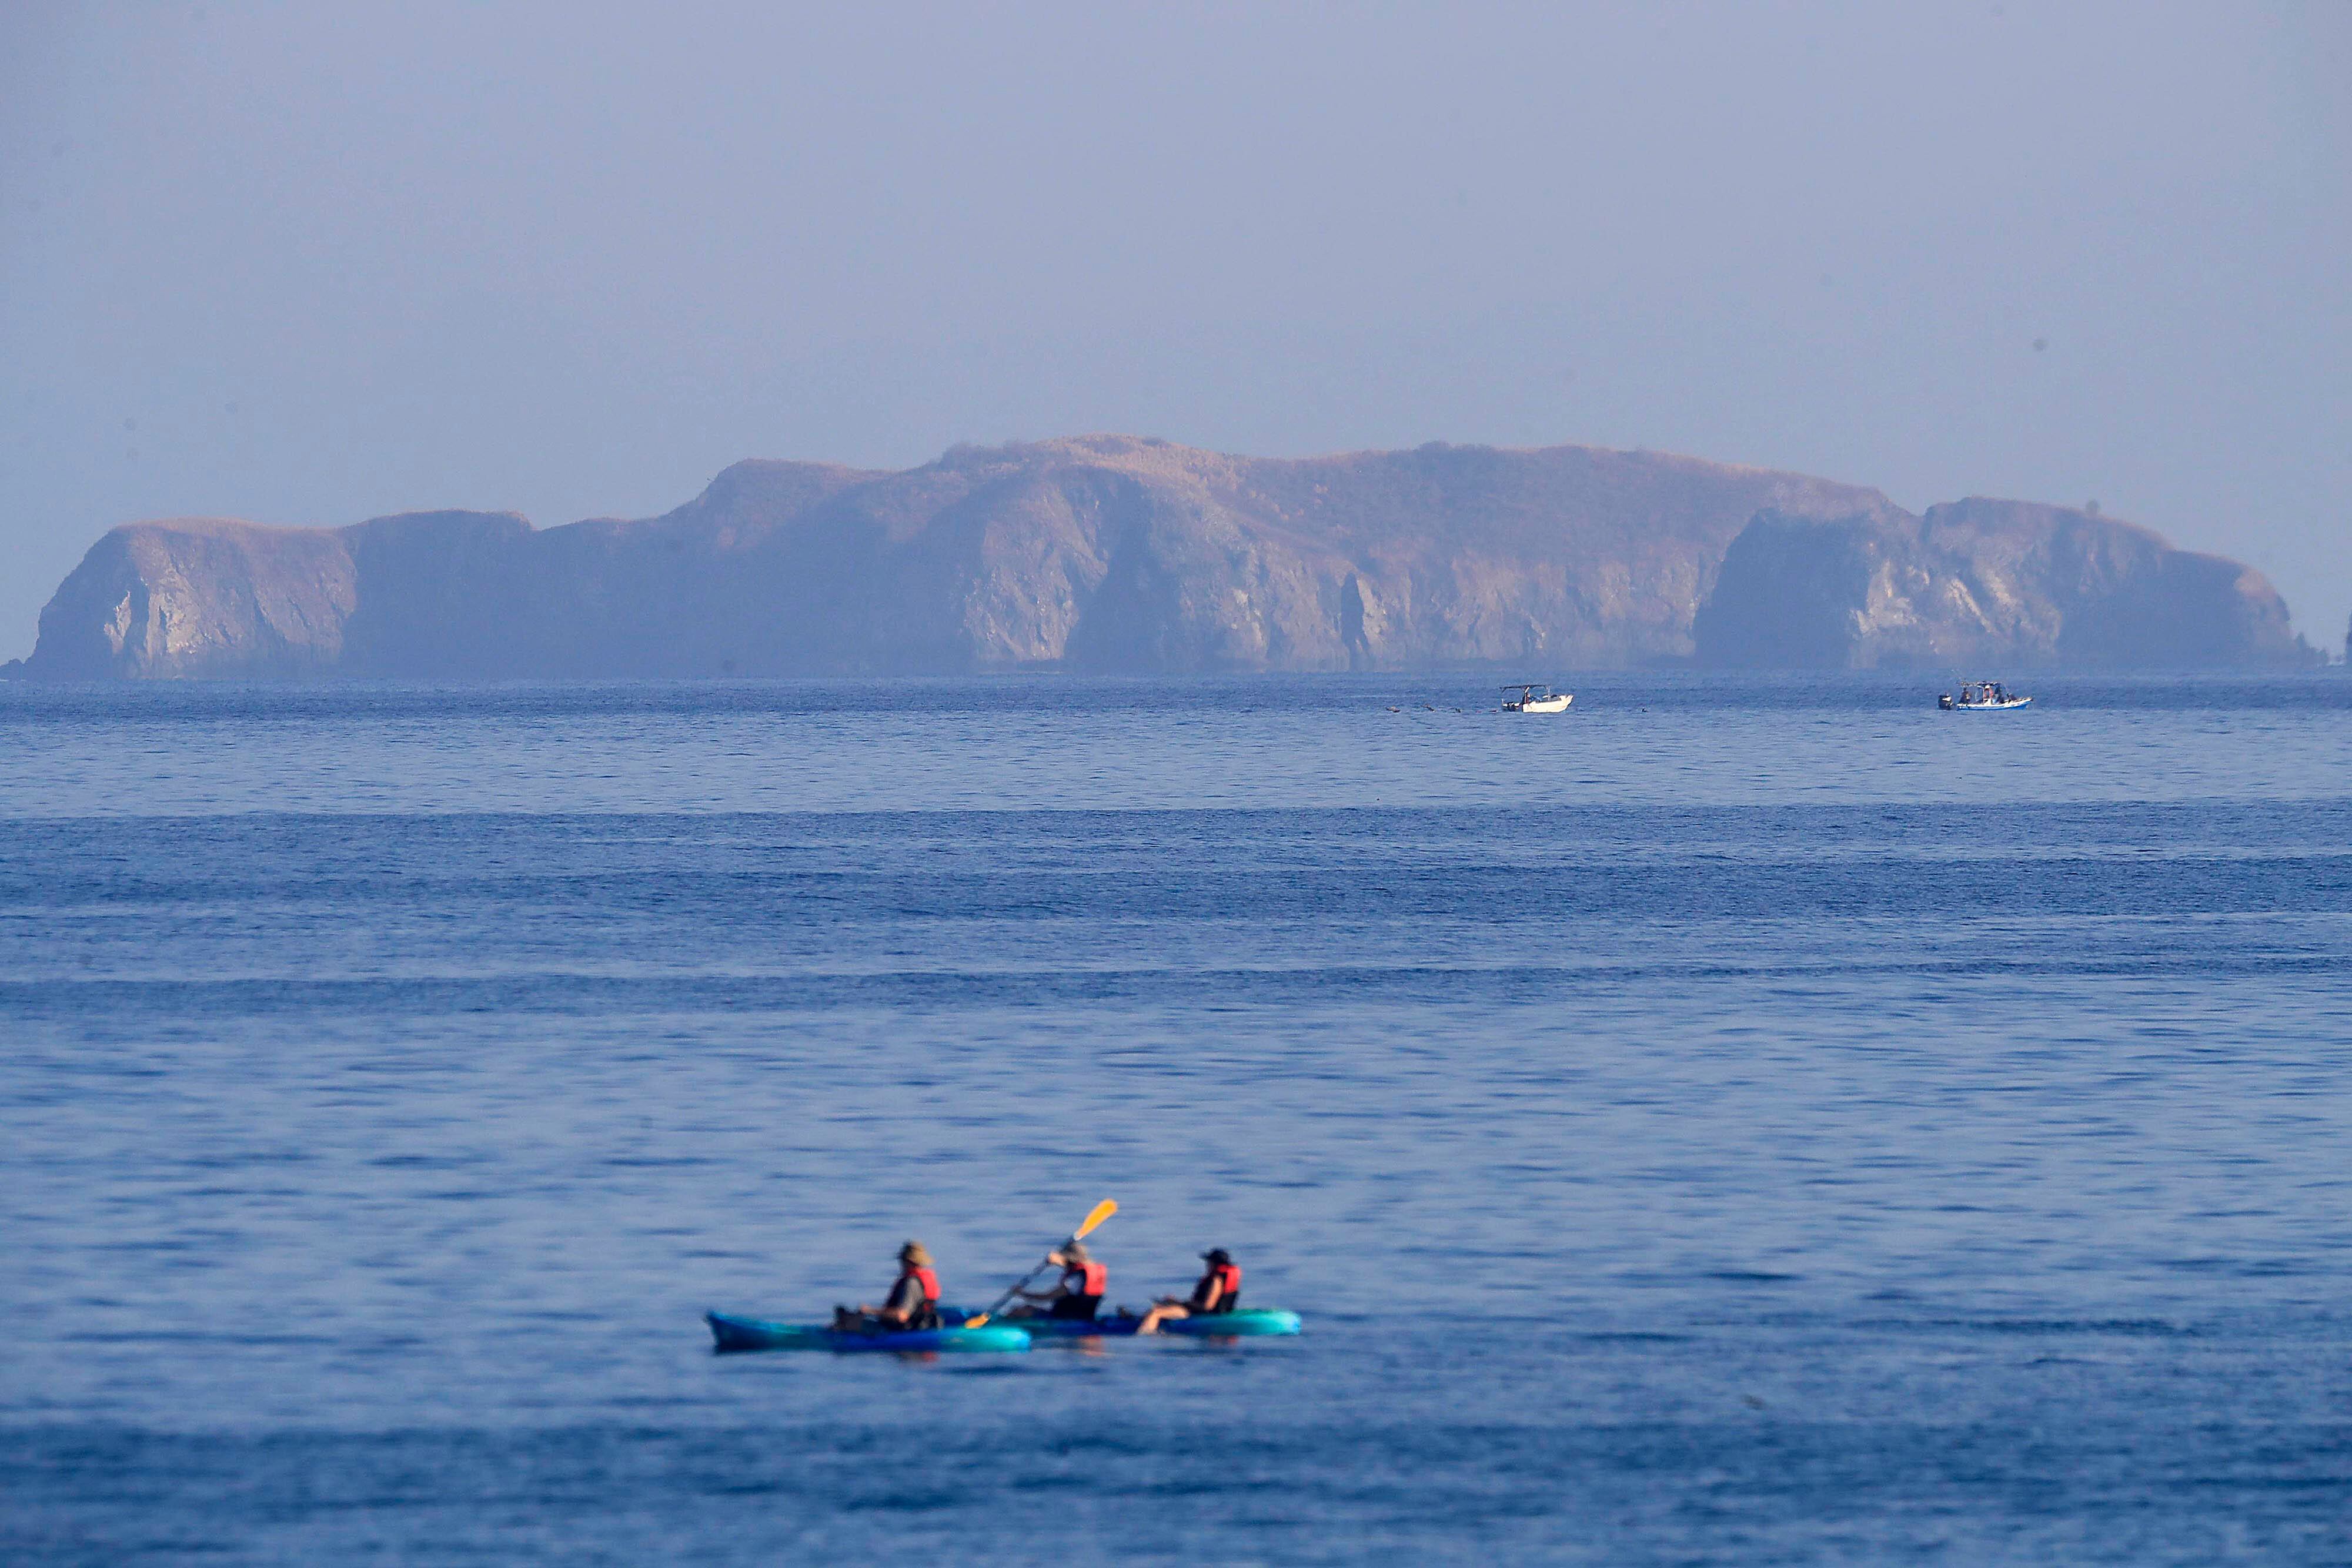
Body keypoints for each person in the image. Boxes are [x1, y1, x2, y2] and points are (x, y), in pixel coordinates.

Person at [833, 1240, 941, 1333]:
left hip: (905, 1329)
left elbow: (902, 1315)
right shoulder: (924, 1278)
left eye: (902, 1260)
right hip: (919, 1323)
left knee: (850, 1323)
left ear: (909, 1262)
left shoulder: (911, 1283)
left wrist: (870, 1311)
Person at [1135, 1248, 1242, 1335]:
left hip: (1198, 1313)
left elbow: (1207, 1307)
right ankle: (1138, 1321)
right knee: (1158, 1307)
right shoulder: (1216, 1279)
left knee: (1156, 1313)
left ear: (1215, 1264)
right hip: (1195, 1310)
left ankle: (1142, 1336)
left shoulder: (1216, 1281)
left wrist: (1179, 1303)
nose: (1207, 1264)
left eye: (1209, 1262)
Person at [1007, 1242, 1107, 1322]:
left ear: (1071, 1259)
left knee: (1022, 1311)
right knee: (1028, 1309)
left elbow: (1047, 1297)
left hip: (1063, 1319)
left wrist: (1022, 1293)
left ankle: (1000, 1326)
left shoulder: (1074, 1280)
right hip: (1084, 1318)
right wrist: (1055, 1261)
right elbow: (1069, 1266)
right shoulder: (1088, 1273)